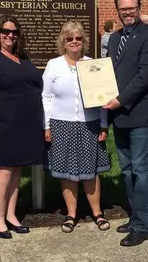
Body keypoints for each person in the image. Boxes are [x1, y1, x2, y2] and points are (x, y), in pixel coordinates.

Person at [0, 14, 44, 239]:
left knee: (17, 169)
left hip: (26, 124)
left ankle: (12, 215)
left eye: (14, 32)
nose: (10, 35)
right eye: (5, 31)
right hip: (3, 124)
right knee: (4, 169)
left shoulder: (22, 57)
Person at [105, 0, 148, 246]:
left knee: (141, 170)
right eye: (122, 9)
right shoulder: (115, 38)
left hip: (140, 114)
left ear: (139, 7)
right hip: (119, 116)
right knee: (127, 171)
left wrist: (120, 99)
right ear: (116, 10)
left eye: (131, 8)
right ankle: (135, 216)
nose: (127, 12)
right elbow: (108, 72)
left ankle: (141, 226)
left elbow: (145, 76)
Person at [42, 20, 110, 233]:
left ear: (84, 41)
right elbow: (45, 97)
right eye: (69, 38)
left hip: (89, 124)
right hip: (61, 124)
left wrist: (103, 124)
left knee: (91, 172)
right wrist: (46, 126)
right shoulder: (54, 65)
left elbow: (104, 98)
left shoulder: (92, 64)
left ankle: (97, 212)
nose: (74, 41)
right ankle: (71, 215)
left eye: (78, 38)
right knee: (68, 173)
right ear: (63, 41)